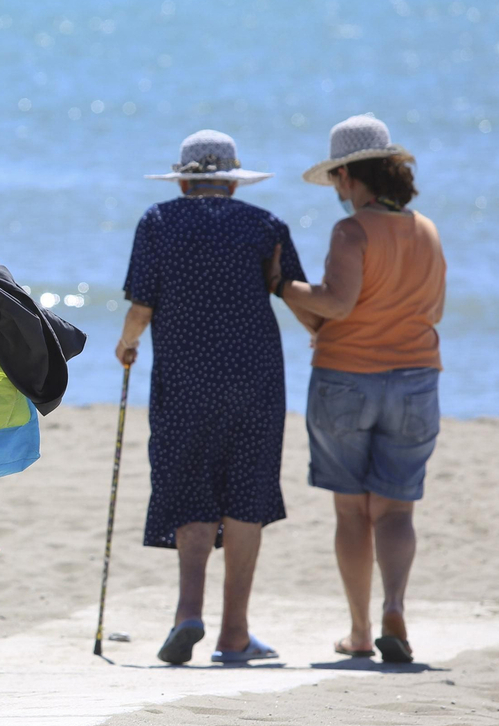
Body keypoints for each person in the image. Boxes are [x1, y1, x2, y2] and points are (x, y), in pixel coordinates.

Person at [116, 130, 304, 666]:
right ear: (232, 180)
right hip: (256, 378)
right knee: (248, 496)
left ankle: (188, 613)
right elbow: (293, 293)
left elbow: (141, 306)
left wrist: (126, 345)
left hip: (183, 380)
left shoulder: (158, 221)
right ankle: (235, 634)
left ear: (181, 178)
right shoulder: (265, 225)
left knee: (190, 489)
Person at [267, 115, 447, 664]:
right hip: (417, 379)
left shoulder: (352, 231)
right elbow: (432, 310)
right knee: (396, 512)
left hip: (347, 378)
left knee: (351, 514)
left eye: (338, 181)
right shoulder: (426, 229)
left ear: (347, 175)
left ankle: (361, 629)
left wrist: (281, 285)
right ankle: (395, 604)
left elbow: (337, 305)